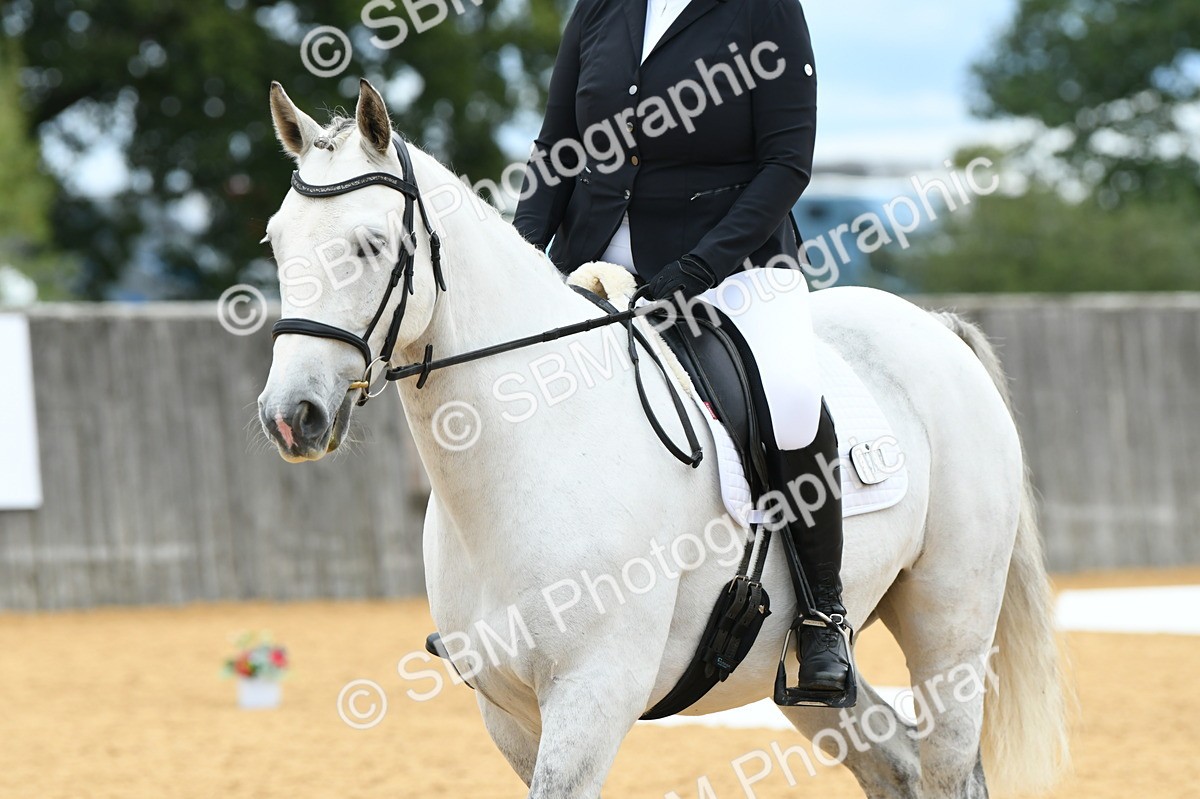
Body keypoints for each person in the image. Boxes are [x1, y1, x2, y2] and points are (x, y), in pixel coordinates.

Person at [514, 0, 853, 704]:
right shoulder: (600, 10)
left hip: (733, 266)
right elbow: (557, 149)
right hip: (595, 262)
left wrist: (700, 268)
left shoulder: (765, 11)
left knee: (790, 400)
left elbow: (787, 163)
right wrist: (520, 262)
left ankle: (823, 614)